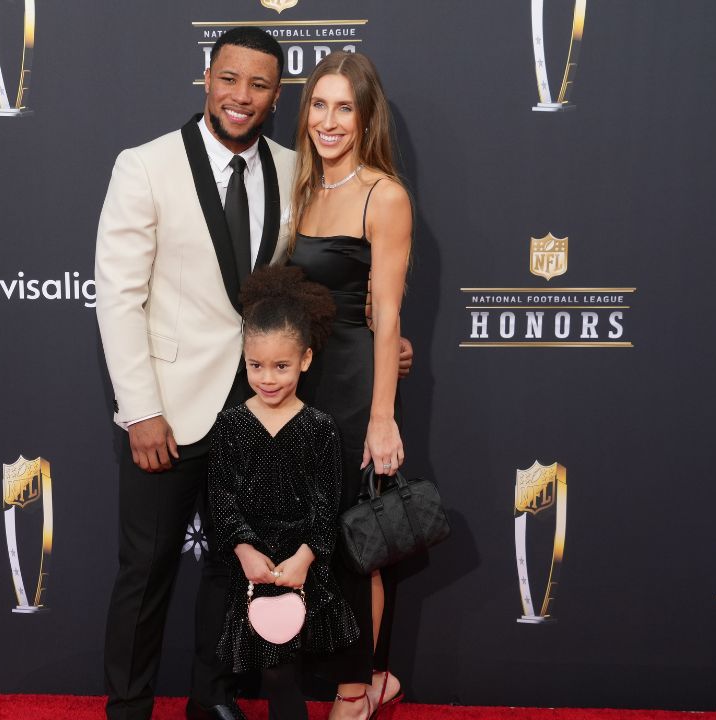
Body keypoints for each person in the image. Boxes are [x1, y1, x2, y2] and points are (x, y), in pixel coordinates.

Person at [95, 27, 293, 720]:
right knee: (145, 574)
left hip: (257, 412)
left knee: (228, 567)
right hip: (170, 414)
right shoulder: (144, 166)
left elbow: (309, 285)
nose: (242, 96)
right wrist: (140, 409)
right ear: (207, 80)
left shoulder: (293, 169)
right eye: (230, 79)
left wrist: (385, 342)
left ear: (275, 96)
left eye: (260, 85)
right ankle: (128, 709)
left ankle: (212, 702)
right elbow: (118, 297)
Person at [286, 51, 413, 720]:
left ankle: (353, 694)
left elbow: (388, 313)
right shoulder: (303, 187)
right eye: (319, 104)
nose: (328, 121)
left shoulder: (382, 194)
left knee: (353, 541)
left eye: (344, 108)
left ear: (366, 119)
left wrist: (383, 417)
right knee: (316, 536)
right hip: (301, 389)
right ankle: (372, 677)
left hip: (357, 388)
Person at [208, 266, 359, 720]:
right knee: (275, 672)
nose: (268, 378)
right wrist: (245, 552)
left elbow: (326, 502)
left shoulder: (319, 428)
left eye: (281, 366)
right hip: (253, 569)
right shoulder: (231, 425)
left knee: (285, 672)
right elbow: (222, 498)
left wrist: (305, 558)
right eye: (256, 365)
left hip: (300, 567)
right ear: (244, 359)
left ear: (306, 360)